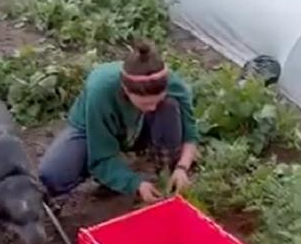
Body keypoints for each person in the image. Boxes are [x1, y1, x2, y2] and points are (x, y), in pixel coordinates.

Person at [38, 41, 199, 205]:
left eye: (157, 101)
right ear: (126, 90)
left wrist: (182, 167)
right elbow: (101, 155)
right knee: (53, 175)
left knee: (169, 107)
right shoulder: (100, 90)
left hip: (138, 127)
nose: (152, 108)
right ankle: (114, 178)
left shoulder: (173, 84)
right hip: (92, 129)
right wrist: (135, 184)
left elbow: (190, 133)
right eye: (145, 103)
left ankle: (167, 175)